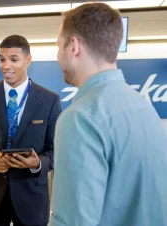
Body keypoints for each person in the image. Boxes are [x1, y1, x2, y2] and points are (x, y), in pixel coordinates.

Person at [50, 3, 167, 226]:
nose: (57, 56)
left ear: (73, 46)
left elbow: (73, 222)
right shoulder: (145, 109)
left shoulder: (80, 118)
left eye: (58, 46)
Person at [0, 35, 61, 226]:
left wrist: (37, 163)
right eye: (2, 59)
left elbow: (56, 150)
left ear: (28, 60)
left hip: (31, 197)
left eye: (14, 60)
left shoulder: (49, 100)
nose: (6, 66)